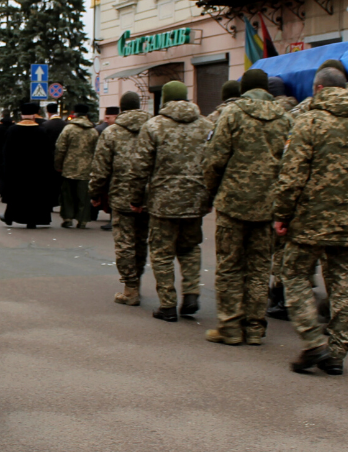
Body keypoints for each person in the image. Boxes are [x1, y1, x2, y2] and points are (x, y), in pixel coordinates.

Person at [273, 67, 348, 375]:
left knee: (294, 273)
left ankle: (312, 340)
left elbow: (292, 174)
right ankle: (337, 351)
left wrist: (282, 214)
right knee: (344, 280)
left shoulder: (308, 122)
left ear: (319, 89)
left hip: (311, 218)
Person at [201, 69, 292, 345]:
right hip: (267, 205)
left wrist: (210, 192)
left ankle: (230, 326)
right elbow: (291, 164)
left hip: (233, 202)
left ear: (244, 89)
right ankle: (254, 328)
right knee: (260, 267)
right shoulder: (285, 118)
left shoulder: (232, 114)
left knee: (230, 265)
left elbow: (215, 159)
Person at [124, 81, 212, 322]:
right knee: (190, 247)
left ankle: (167, 304)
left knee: (161, 253)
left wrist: (136, 198)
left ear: (164, 99)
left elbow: (140, 166)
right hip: (195, 199)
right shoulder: (206, 125)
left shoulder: (154, 126)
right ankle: (191, 292)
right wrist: (210, 196)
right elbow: (215, 163)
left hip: (163, 200)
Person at [90, 91, 151, 304]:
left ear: (121, 108)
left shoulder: (111, 132)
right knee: (141, 241)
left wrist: (95, 193)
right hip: (148, 195)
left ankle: (130, 287)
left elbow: (101, 167)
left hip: (121, 195)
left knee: (124, 243)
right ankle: (138, 279)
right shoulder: (153, 128)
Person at [0, 102, 56, 229]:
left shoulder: (12, 130)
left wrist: (6, 169)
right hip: (36, 171)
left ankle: (10, 217)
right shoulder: (41, 131)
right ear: (34, 115)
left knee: (16, 195)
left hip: (17, 170)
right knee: (35, 196)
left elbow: (6, 152)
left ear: (21, 115)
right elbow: (48, 153)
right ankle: (33, 220)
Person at [54, 104, 99, 229]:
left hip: (69, 166)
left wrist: (58, 164)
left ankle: (68, 218)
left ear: (75, 113)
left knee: (67, 194)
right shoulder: (93, 131)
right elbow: (97, 150)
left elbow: (60, 148)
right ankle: (82, 220)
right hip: (86, 167)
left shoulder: (69, 129)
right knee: (84, 195)